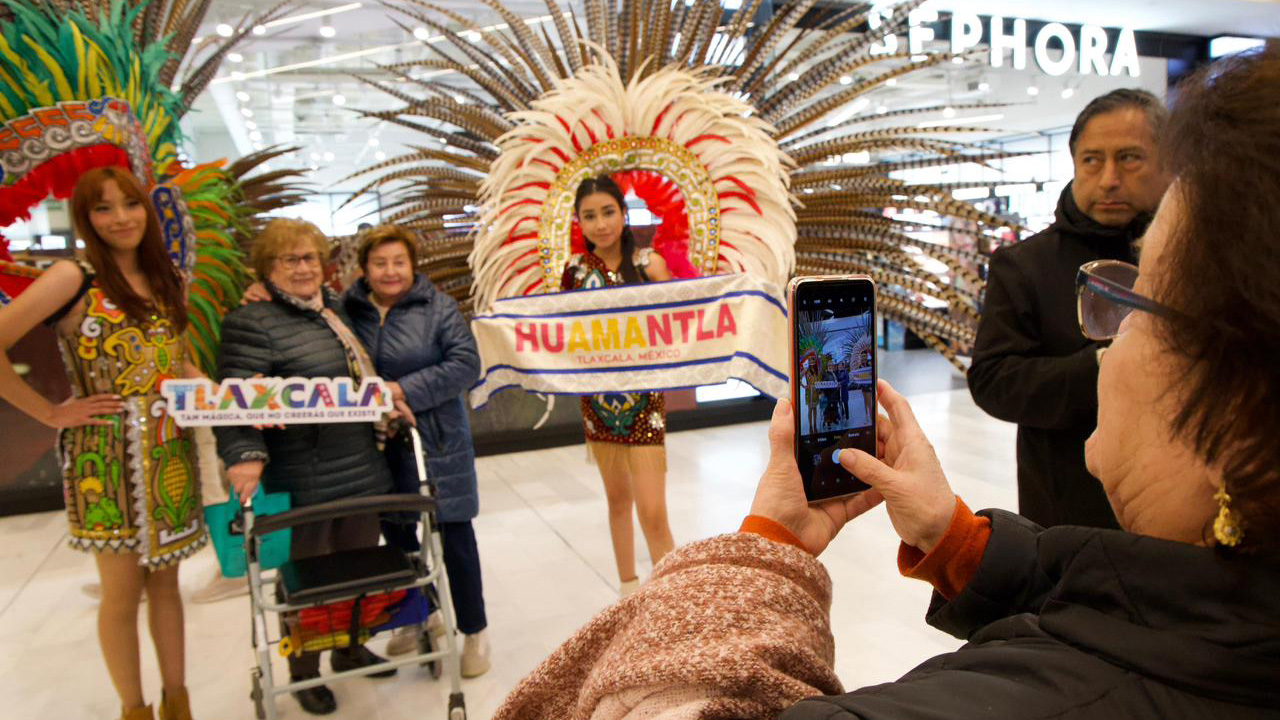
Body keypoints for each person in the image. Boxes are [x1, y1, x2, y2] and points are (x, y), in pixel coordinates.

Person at [492, 48, 1280, 720]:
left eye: (1135, 301)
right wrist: (958, 539)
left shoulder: (1048, 696)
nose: (1104, 336)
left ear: (1243, 410)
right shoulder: (1217, 609)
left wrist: (761, 550)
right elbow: (1126, 589)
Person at [0, 166, 204, 720]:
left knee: (167, 583)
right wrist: (50, 412)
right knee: (121, 591)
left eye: (130, 204)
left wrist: (216, 394)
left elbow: (175, 357)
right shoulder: (73, 277)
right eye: (103, 208)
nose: (121, 218)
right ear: (85, 219)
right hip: (102, 457)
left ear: (148, 209)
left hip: (169, 449)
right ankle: (133, 709)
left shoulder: (167, 278)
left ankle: (177, 702)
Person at [214, 218, 396, 716]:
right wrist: (243, 456)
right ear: (267, 269)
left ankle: (350, 646)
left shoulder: (335, 309)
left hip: (360, 464)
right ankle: (305, 670)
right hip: (301, 474)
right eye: (288, 260)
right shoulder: (250, 321)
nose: (302, 268)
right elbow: (235, 400)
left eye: (310, 258)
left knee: (358, 567)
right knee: (307, 580)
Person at [967, 88, 1172, 529]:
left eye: (1130, 158)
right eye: (1092, 160)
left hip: (1187, 521)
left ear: (1168, 163)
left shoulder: (1201, 259)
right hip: (1071, 516)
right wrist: (1106, 365)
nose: (1109, 179)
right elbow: (992, 380)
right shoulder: (1024, 265)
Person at [341, 224, 492, 677]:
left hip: (437, 443)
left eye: (398, 262)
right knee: (399, 539)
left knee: (455, 539)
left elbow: (466, 364)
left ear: (412, 265)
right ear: (364, 269)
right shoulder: (347, 313)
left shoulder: (438, 309)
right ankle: (423, 617)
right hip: (377, 446)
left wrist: (401, 389)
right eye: (380, 263)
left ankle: (474, 632)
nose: (390, 272)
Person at [560, 175, 675, 597]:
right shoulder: (573, 272)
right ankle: (628, 593)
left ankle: (668, 599)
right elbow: (563, 332)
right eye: (589, 215)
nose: (601, 223)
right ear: (579, 221)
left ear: (624, 214)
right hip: (598, 401)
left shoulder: (648, 263)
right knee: (617, 502)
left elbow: (679, 322)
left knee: (653, 509)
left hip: (645, 398)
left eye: (608, 212)